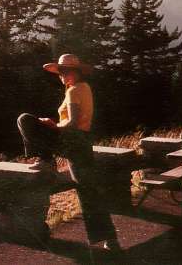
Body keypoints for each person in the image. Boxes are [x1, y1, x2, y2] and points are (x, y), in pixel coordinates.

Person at [17, 53, 121, 252]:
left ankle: (46, 160)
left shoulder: (74, 91)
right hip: (81, 142)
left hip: (72, 139)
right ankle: (111, 239)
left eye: (66, 71)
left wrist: (52, 126)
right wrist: (56, 126)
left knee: (24, 119)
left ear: (76, 72)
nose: (62, 75)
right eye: (60, 72)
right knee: (88, 189)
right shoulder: (84, 88)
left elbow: (72, 123)